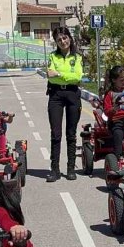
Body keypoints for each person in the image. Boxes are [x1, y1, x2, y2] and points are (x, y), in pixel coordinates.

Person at [45, 26, 83, 182]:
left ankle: (71, 169)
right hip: (55, 95)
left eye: (65, 38)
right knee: (56, 134)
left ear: (70, 38)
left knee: (71, 134)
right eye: (59, 39)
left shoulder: (78, 57)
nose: (63, 41)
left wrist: (60, 74)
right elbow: (50, 76)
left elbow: (77, 77)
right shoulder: (53, 57)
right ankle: (55, 170)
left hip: (73, 94)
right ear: (56, 42)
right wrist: (65, 76)